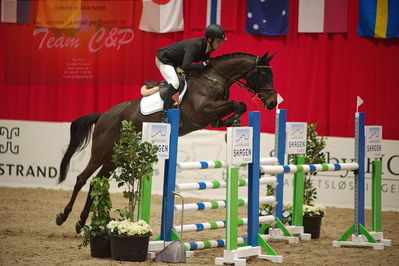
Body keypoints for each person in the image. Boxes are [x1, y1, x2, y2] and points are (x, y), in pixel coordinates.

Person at [155, 24, 227, 119]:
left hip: (177, 63)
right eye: (218, 41)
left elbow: (200, 69)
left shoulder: (207, 49)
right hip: (165, 59)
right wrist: (204, 64)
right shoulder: (195, 46)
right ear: (210, 39)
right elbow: (186, 66)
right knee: (175, 82)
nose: (220, 44)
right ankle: (165, 113)